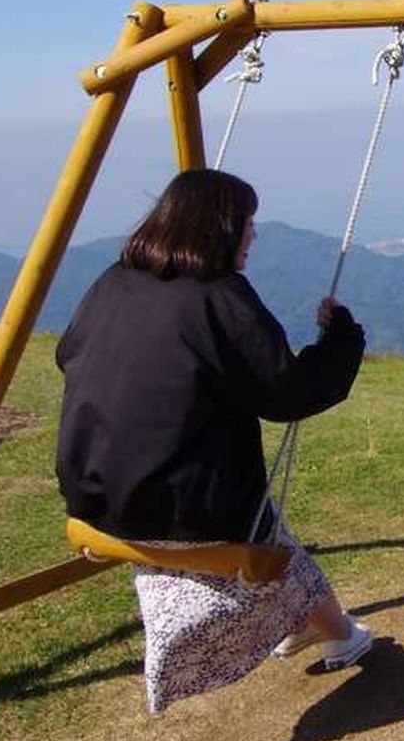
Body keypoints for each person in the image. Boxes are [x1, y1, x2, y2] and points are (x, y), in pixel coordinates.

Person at [55, 169, 372, 713]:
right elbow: (286, 393)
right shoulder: (217, 296)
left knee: (277, 541)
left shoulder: (113, 281)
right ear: (221, 228)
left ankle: (333, 630)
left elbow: (68, 353)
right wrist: (343, 339)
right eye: (248, 223)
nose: (253, 234)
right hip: (181, 511)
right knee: (265, 547)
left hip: (92, 492)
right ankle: (321, 627)